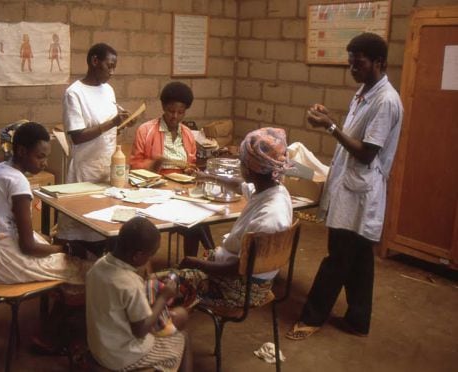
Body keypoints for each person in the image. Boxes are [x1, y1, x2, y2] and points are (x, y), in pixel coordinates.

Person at [286, 32, 403, 341]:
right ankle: (358, 319)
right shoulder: (365, 91)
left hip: (360, 192)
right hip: (352, 187)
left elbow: (366, 152)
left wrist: (331, 127)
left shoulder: (386, 100)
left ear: (379, 62)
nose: (354, 70)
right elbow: (354, 135)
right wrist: (331, 119)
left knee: (337, 258)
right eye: (351, 64)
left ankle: (312, 317)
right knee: (360, 259)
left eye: (359, 64)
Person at [158, 127, 293, 309]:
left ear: (251, 170)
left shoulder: (269, 218)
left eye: (241, 161)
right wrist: (209, 177)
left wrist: (197, 263)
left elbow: (238, 269)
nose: (239, 165)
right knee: (181, 269)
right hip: (248, 275)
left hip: (239, 287)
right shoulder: (273, 191)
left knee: (158, 285)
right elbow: (240, 186)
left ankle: (161, 324)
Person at [0, 122, 93, 285]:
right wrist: (64, 249)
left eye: (46, 157)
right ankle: (66, 307)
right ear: (22, 151)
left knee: (49, 243)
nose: (44, 163)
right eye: (40, 156)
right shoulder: (18, 182)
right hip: (5, 262)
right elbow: (28, 247)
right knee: (87, 268)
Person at [86, 217, 192, 372]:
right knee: (183, 338)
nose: (150, 259)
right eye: (150, 255)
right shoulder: (129, 283)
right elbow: (141, 331)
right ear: (137, 256)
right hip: (124, 357)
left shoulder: (98, 267)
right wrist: (163, 297)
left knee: (173, 321)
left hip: (100, 349)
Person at [56, 43, 132, 252]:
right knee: (82, 228)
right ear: (94, 61)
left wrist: (123, 123)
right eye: (109, 66)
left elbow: (110, 130)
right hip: (85, 170)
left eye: (114, 67)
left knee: (106, 226)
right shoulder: (75, 93)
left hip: (107, 167)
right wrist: (112, 123)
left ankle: (101, 268)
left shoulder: (108, 90)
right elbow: (77, 136)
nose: (112, 72)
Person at [129, 81, 212, 257]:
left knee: (199, 217)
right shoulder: (146, 130)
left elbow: (191, 163)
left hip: (179, 192)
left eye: (180, 112)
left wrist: (190, 170)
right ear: (163, 107)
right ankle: (208, 256)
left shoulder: (188, 134)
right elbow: (134, 166)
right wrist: (154, 164)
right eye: (170, 111)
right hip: (154, 192)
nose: (175, 116)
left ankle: (195, 260)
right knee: (195, 220)